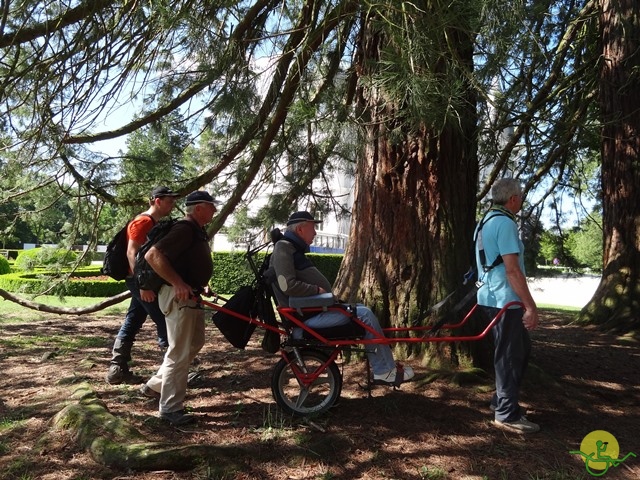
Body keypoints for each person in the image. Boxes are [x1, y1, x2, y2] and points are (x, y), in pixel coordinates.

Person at [268, 211, 414, 385]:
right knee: (365, 315)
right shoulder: (284, 247)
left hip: (310, 313)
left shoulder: (290, 248)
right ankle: (384, 371)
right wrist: (316, 290)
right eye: (313, 227)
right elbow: (287, 286)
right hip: (306, 318)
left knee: (362, 310)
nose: (315, 232)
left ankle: (386, 366)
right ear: (300, 229)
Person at [139, 190, 217, 426]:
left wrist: (196, 284)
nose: (215, 210)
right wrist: (178, 283)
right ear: (199, 208)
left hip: (190, 295)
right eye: (211, 206)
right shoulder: (184, 228)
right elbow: (153, 255)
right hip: (178, 297)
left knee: (194, 343)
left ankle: (154, 386)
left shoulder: (195, 230)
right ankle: (170, 408)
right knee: (179, 351)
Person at [474, 178, 540, 433]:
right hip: (504, 299)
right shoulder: (504, 223)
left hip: (492, 297)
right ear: (512, 199)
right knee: (510, 356)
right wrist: (530, 306)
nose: (522, 200)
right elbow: (512, 271)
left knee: (518, 351)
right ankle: (507, 415)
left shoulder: (486, 220)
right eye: (520, 196)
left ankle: (501, 401)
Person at [106, 186, 180, 384]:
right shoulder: (143, 221)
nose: (173, 204)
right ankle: (174, 373)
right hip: (140, 282)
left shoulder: (152, 222)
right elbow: (132, 253)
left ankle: (117, 369)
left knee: (133, 319)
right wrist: (142, 285)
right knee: (164, 321)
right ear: (157, 200)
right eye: (169, 200)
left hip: (142, 282)